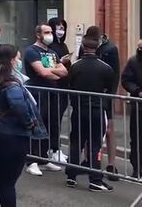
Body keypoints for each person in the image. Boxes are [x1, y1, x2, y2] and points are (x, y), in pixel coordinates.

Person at [0, 44, 42, 207]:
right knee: (7, 183)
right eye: (18, 59)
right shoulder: (11, 83)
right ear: (11, 61)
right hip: (11, 137)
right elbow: (18, 105)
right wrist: (29, 124)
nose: (19, 62)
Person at [65, 35, 116, 192]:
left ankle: (71, 176)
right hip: (97, 110)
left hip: (79, 109)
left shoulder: (75, 66)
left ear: (83, 47)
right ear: (98, 47)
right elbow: (109, 87)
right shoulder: (105, 68)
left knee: (76, 142)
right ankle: (95, 180)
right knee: (96, 145)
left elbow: (70, 84)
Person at [23, 23, 68, 176]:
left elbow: (64, 71)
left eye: (50, 32)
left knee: (50, 124)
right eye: (47, 32)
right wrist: (53, 72)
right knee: (36, 124)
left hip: (52, 92)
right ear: (38, 35)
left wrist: (52, 72)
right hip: (37, 93)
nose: (51, 35)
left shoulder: (52, 52)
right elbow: (41, 72)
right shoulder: (31, 51)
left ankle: (43, 158)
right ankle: (31, 160)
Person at [78, 26, 121, 179]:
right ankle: (89, 160)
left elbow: (115, 74)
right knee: (89, 129)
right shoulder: (85, 47)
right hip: (89, 95)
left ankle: (111, 164)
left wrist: (111, 95)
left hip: (104, 95)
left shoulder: (110, 49)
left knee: (108, 130)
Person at [47, 18, 71, 164]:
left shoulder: (63, 45)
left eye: (63, 28)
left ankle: (55, 148)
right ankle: (53, 149)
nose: (60, 31)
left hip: (63, 86)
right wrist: (61, 63)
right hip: (53, 87)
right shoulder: (50, 48)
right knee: (53, 119)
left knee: (58, 118)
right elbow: (51, 68)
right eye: (57, 28)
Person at [122, 39, 142, 177]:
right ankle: (137, 168)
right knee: (137, 138)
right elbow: (126, 80)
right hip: (139, 105)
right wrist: (137, 91)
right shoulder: (133, 61)